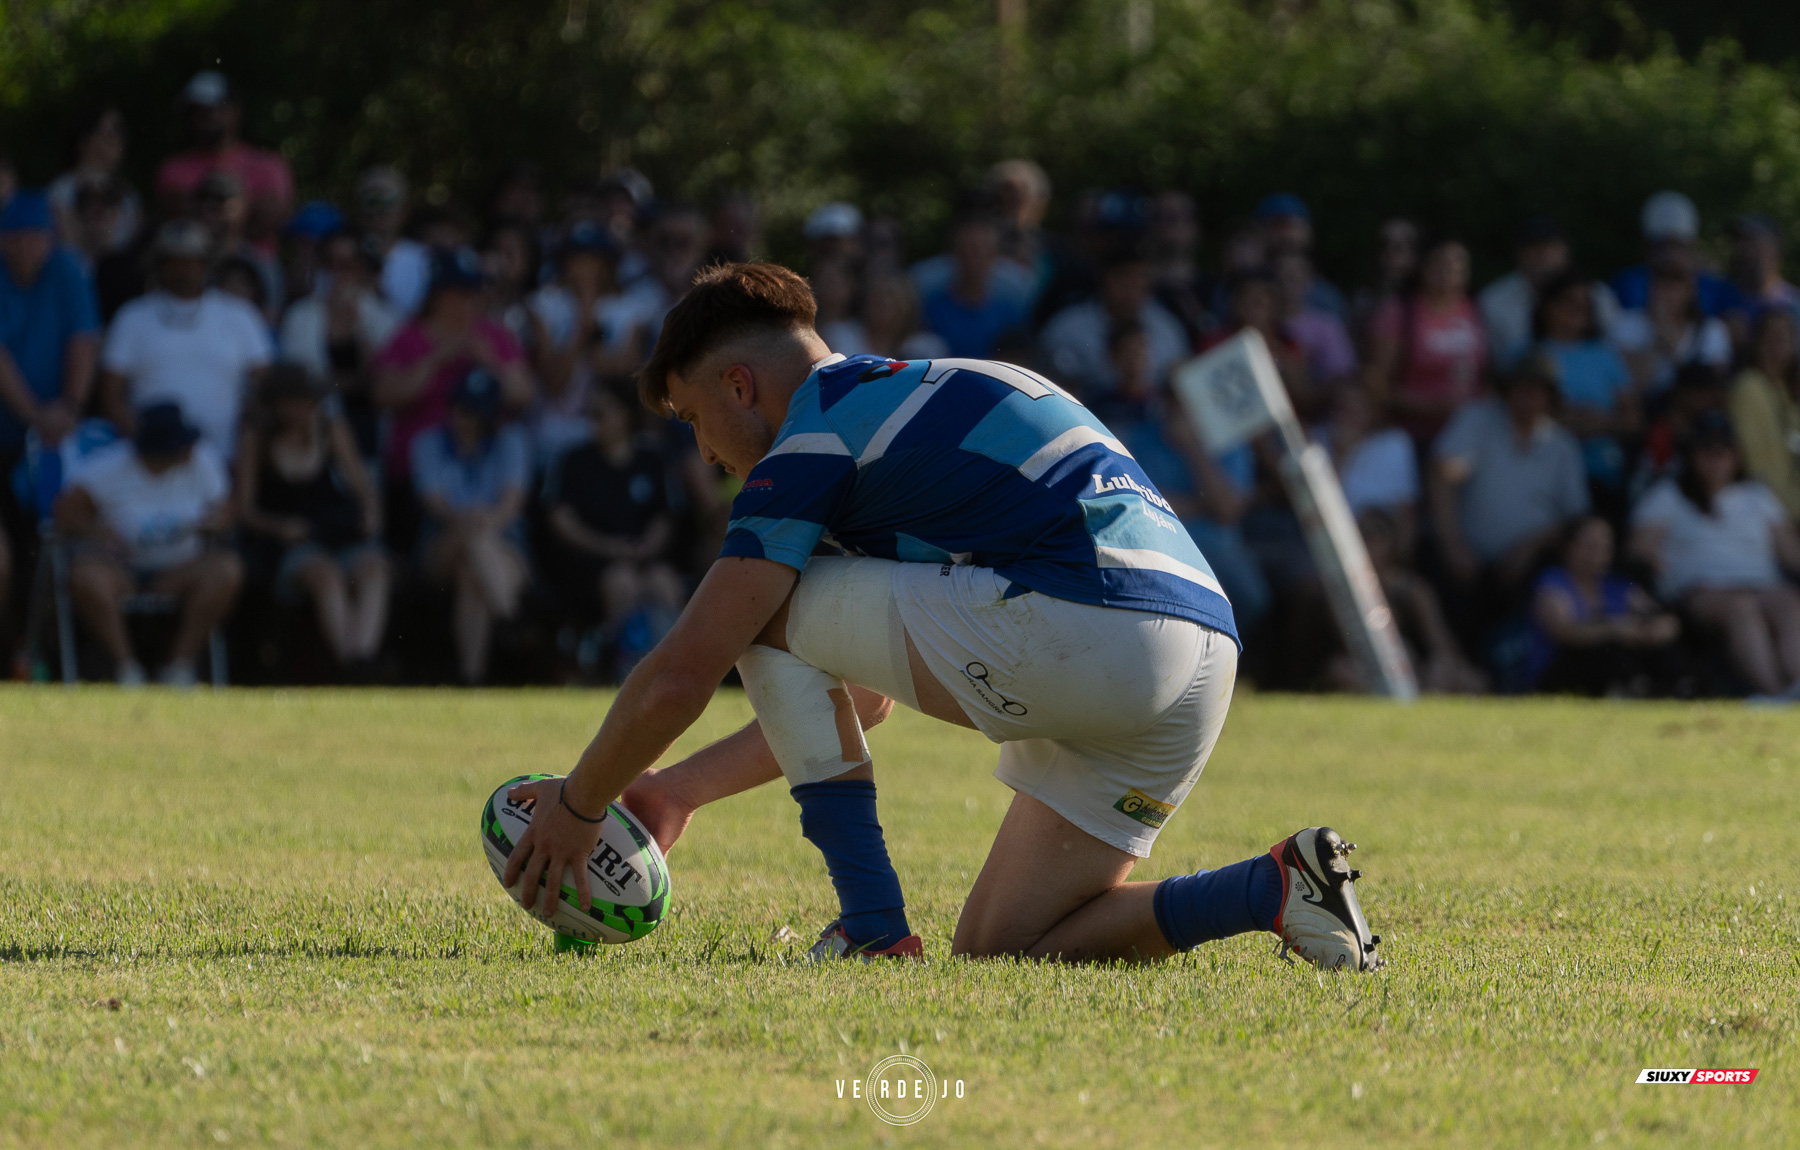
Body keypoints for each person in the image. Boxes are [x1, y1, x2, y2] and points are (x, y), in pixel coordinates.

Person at [499, 262, 1383, 972]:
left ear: (740, 386)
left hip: (1089, 627)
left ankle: (872, 926)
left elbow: (689, 669)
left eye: (695, 420)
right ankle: (1273, 888)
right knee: (1006, 946)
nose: (706, 453)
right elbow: (865, 701)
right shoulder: (927, 392)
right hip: (1200, 653)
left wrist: (581, 806)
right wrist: (677, 791)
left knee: (755, 610)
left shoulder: (812, 437)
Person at [54, 402, 242, 687]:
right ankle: (127, 668)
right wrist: (96, 531)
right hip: (121, 569)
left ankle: (179, 666)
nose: (191, 449)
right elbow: (64, 514)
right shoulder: (107, 468)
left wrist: (217, 521)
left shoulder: (203, 461)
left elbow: (227, 509)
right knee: (85, 576)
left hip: (180, 569)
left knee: (227, 570)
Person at [1631, 413, 1800, 698]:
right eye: (1708, 452)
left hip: (1761, 584)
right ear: (1693, 455)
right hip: (1701, 592)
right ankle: (1775, 693)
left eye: (1724, 452)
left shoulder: (1758, 496)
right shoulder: (1668, 496)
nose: (1716, 460)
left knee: (1789, 603)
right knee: (1741, 608)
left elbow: (1791, 552)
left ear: (1736, 456)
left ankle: (1797, 686)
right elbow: (1639, 547)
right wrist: (1649, 560)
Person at [235, 367, 389, 672]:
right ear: (278, 403)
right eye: (299, 401)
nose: (308, 408)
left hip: (336, 533)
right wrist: (281, 527)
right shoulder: (256, 440)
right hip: (290, 546)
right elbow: (245, 511)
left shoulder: (332, 430)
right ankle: (350, 664)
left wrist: (371, 514)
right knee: (324, 575)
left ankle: (363, 659)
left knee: (374, 569)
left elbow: (364, 490)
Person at [99, 220, 274, 461]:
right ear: (159, 265)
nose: (184, 269)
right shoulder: (132, 316)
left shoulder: (239, 315)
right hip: (150, 461)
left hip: (225, 461)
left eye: (193, 260)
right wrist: (145, 441)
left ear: (207, 264)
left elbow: (265, 384)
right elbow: (110, 393)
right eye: (174, 261)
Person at [542, 382, 685, 676]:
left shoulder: (652, 459)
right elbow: (561, 520)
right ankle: (625, 673)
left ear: (626, 416)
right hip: (591, 565)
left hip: (645, 559)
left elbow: (664, 517)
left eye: (601, 413)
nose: (594, 420)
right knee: (622, 582)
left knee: (664, 581)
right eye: (591, 413)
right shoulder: (574, 460)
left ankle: (674, 673)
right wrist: (608, 547)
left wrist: (646, 547)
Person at [372, 246, 531, 507]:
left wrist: (488, 360)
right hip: (422, 475)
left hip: (486, 469)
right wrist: (437, 359)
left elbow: (523, 395)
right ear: (437, 295)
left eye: (475, 290)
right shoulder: (406, 338)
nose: (472, 299)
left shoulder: (496, 336)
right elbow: (383, 395)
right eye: (462, 292)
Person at [1432, 355, 1590, 599]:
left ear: (1551, 397)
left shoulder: (1563, 447)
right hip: (1465, 561)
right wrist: (1452, 545)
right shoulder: (1477, 421)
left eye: (1537, 390)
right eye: (1522, 387)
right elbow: (1443, 479)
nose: (1528, 397)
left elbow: (1573, 518)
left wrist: (1528, 548)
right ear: (1507, 389)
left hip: (1531, 568)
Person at [411, 367, 531, 685]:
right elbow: (434, 503)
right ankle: (509, 619)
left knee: (471, 575)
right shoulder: (428, 443)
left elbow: (511, 504)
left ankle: (471, 678)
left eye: (471, 409)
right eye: (457, 406)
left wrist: (485, 521)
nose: (460, 416)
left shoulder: (511, 441)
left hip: (505, 549)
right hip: (443, 546)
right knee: (473, 539)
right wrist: (473, 520)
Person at [278, 229, 401, 462]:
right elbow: (303, 385)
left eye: (347, 264)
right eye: (330, 263)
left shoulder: (386, 319)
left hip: (373, 442)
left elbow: (383, 383)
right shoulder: (299, 317)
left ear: (361, 268)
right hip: (317, 447)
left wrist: (357, 330)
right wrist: (352, 381)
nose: (338, 272)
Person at [1530, 516, 1679, 696]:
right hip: (1559, 671)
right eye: (1590, 546)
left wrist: (1657, 630)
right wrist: (1615, 629)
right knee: (1608, 651)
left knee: (1664, 653)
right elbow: (1564, 631)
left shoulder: (1617, 586)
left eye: (1605, 546)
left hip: (1615, 668)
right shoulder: (1553, 582)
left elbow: (1659, 615)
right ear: (1569, 547)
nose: (1599, 553)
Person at [0, 191, 100, 459]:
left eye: (35, 237)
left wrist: (72, 406)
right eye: (15, 236)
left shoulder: (67, 267)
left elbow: (83, 339)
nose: (24, 246)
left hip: (60, 426)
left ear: (50, 238)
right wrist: (33, 414)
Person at [154, 72, 294, 251]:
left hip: (257, 270)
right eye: (195, 111)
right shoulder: (173, 168)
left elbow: (275, 217)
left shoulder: (269, 166)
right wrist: (242, 209)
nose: (201, 119)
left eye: (209, 111)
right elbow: (172, 210)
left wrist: (200, 207)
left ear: (234, 110)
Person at [1367, 236, 1485, 445]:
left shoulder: (1476, 312)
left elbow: (1485, 374)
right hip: (1411, 435)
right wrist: (1432, 408)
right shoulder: (1399, 313)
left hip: (1466, 435)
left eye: (1458, 264)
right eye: (1441, 262)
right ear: (1423, 266)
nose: (1449, 270)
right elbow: (1377, 383)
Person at [1532, 271, 1637, 496]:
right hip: (1541, 476)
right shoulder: (1528, 356)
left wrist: (1602, 423)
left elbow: (1635, 421)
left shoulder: (1606, 355)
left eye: (1585, 302)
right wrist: (1563, 423)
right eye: (1569, 300)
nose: (1577, 308)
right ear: (1547, 305)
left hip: (1604, 475)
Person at [1039, 242, 1191, 397]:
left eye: (1139, 277)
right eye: (1123, 276)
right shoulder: (1067, 328)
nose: (1131, 286)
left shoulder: (1168, 330)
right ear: (1104, 278)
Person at [917, 196, 1034, 359]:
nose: (974, 258)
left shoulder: (1009, 314)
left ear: (994, 256)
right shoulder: (930, 310)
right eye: (968, 249)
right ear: (954, 254)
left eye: (981, 250)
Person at [1610, 262, 1733, 399]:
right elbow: (1631, 386)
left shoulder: (1712, 330)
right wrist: (1658, 334)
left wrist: (1669, 338)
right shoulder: (1626, 323)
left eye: (1676, 285)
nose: (1668, 293)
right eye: (1662, 284)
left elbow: (1711, 390)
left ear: (1690, 290)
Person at [1609, 192, 1739, 320]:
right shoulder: (1626, 285)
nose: (1670, 255)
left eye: (1677, 245)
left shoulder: (1716, 289)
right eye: (1661, 246)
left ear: (1692, 246)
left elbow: (1737, 325)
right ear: (1647, 247)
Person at [1729, 307, 1800, 520]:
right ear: (1757, 343)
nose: (1777, 344)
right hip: (1769, 511)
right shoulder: (1748, 387)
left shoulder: (1783, 391)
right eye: (1770, 336)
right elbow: (1754, 467)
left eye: (1784, 337)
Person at [1477, 216, 1571, 371]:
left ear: (1565, 251)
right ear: (1518, 253)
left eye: (1550, 246)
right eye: (1534, 247)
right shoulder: (1492, 300)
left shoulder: (1595, 296)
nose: (1543, 255)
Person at [47, 106, 143, 253]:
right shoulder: (59, 191)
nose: (118, 139)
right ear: (84, 139)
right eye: (111, 132)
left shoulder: (129, 194)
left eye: (121, 132)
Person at [354, 166, 431, 318]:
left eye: (389, 202)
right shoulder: (343, 255)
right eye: (371, 201)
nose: (378, 211)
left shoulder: (423, 259)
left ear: (404, 210)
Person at [1253, 193, 1346, 318]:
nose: (1286, 235)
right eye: (1277, 227)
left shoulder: (1327, 297)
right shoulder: (1242, 292)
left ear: (1308, 232)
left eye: (1292, 227)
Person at [1275, 251, 1357, 390]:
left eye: (1298, 273)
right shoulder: (1265, 325)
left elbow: (1342, 374)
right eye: (1284, 273)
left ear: (1309, 278)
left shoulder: (1327, 324)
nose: (1290, 279)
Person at [1726, 215, 1800, 329]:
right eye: (1739, 243)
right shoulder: (1723, 301)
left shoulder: (1794, 306)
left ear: (1776, 250)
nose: (1745, 252)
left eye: (1753, 243)